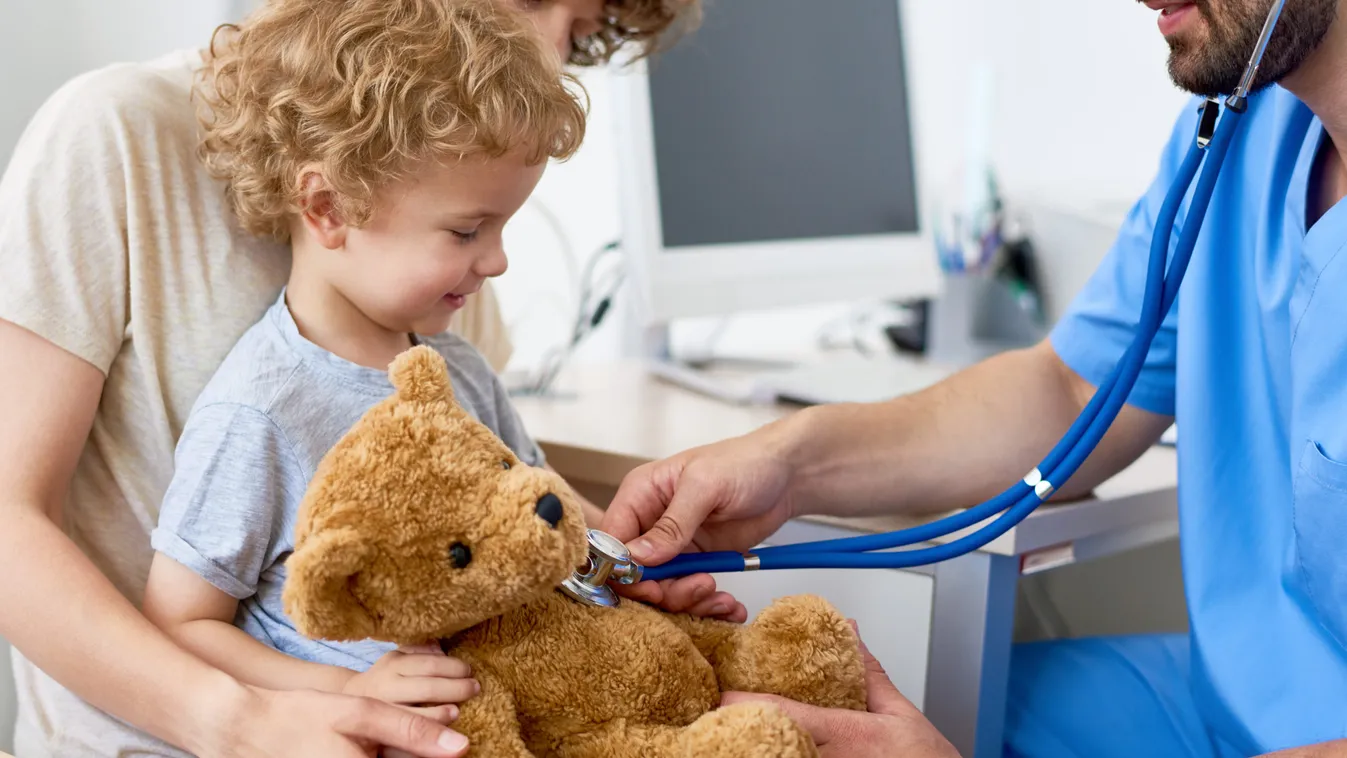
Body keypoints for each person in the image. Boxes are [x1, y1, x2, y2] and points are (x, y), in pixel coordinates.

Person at [603, 0, 1347, 755]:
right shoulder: (1245, 131)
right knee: (839, 705)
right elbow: (1075, 391)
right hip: (1226, 701)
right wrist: (788, 464)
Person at [0, 0, 733, 756]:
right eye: (526, 1)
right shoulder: (117, 136)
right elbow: (9, 520)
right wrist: (248, 721)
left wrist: (616, 561)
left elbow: (482, 508)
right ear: (325, 207)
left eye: (579, 30)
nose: (549, 49)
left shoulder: (442, 254)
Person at [132, 0, 585, 753]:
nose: (497, 260)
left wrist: (631, 558)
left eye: (504, 227)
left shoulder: (461, 372)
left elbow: (542, 517)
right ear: (327, 207)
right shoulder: (260, 408)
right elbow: (181, 622)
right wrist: (349, 692)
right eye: (469, 231)